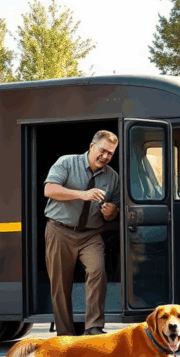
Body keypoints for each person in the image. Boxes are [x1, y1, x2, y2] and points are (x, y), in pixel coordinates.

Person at [44, 130, 121, 336]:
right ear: (91, 147)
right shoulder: (67, 162)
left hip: (91, 235)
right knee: (60, 284)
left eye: (110, 154)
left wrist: (112, 212)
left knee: (98, 271)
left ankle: (94, 327)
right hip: (59, 230)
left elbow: (113, 213)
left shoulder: (113, 177)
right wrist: (82, 195)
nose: (105, 157)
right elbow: (49, 190)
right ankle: (65, 334)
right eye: (102, 151)